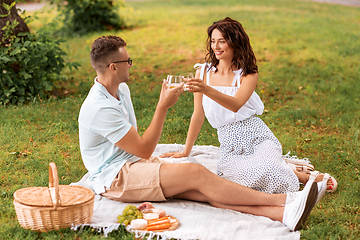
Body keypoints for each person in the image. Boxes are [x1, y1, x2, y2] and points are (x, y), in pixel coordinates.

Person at [78, 35, 324, 231]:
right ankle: (287, 200)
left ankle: (284, 215)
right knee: (195, 172)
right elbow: (144, 148)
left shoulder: (120, 91)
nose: (131, 65)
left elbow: (136, 146)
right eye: (127, 61)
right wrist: (162, 107)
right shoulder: (100, 108)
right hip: (115, 178)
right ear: (113, 67)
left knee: (204, 190)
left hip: (132, 162)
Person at [160, 17, 337, 195]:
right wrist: (185, 151)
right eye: (213, 41)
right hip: (230, 143)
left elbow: (235, 105)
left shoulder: (247, 74)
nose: (216, 47)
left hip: (257, 135)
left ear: (235, 42)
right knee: (243, 178)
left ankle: (304, 178)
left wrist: (206, 89)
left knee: (270, 171)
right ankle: (288, 169)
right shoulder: (203, 72)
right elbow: (198, 115)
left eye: (222, 41)